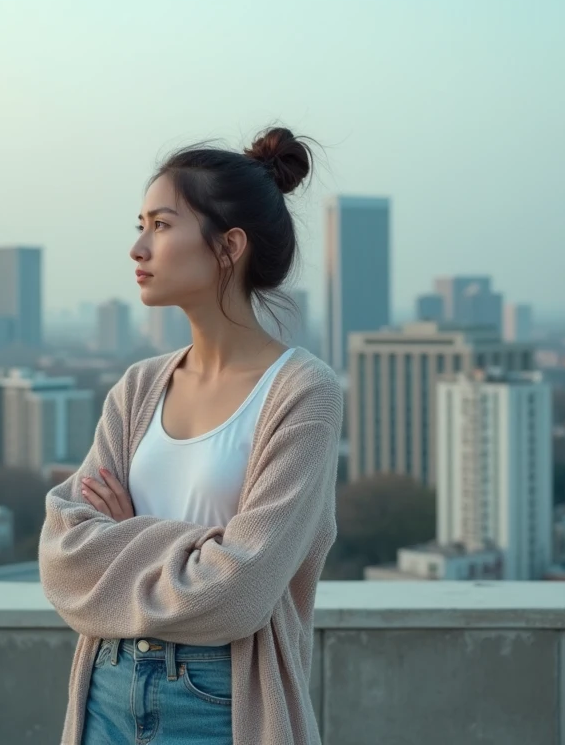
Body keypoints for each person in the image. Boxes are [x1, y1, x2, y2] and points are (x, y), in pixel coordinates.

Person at [38, 126, 343, 745]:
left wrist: (124, 535)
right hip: (105, 684)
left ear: (229, 245)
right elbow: (62, 558)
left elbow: (240, 592)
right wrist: (205, 546)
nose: (137, 247)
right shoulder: (138, 386)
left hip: (221, 701)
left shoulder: (302, 393)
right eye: (140, 223)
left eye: (161, 224)